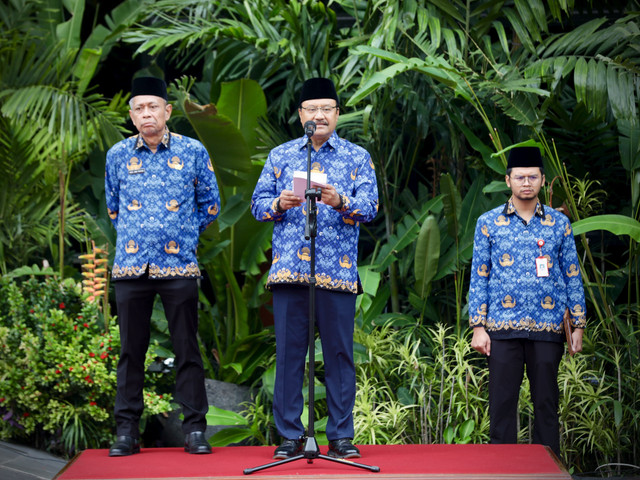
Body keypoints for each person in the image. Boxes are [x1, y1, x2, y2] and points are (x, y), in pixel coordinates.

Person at [251, 78, 378, 459]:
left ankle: (340, 437)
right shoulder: (281, 155)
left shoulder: (357, 158)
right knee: (290, 356)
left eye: (327, 108)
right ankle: (290, 437)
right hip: (290, 273)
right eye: (312, 109)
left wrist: (340, 200)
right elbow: (258, 206)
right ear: (301, 114)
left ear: (338, 114)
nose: (319, 115)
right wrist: (280, 202)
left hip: (337, 274)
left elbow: (370, 208)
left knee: (339, 356)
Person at [105, 76, 220, 456]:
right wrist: (140, 236)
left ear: (167, 111)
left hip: (179, 266)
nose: (146, 114)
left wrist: (181, 235)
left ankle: (194, 431)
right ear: (132, 115)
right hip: (131, 268)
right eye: (139, 108)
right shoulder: (117, 155)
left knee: (187, 349)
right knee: (130, 351)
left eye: (153, 106)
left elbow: (210, 205)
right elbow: (113, 208)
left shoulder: (193, 152)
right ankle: (126, 432)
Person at [468, 146, 587, 457]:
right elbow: (479, 276)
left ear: (542, 180)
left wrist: (578, 324)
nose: (526, 182)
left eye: (532, 177)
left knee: (547, 405)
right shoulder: (487, 222)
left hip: (548, 329)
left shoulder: (559, 224)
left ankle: (548, 472)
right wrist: (478, 326)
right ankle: (501, 472)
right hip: (501, 329)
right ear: (508, 180)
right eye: (519, 177)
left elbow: (572, 274)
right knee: (501, 406)